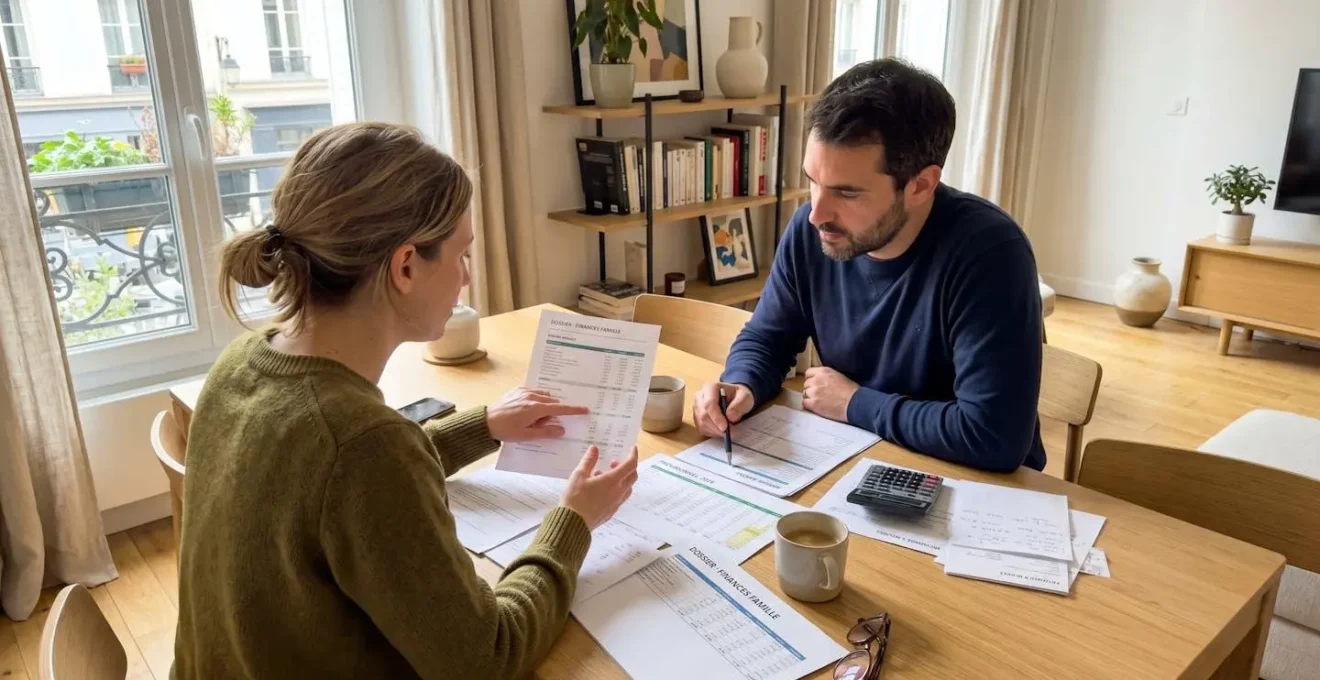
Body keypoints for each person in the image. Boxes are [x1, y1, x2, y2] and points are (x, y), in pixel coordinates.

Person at [173, 122, 638, 679]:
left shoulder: (241, 362)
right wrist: (574, 521)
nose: (467, 278)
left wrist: (485, 425)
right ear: (406, 266)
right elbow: (488, 657)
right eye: (463, 255)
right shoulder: (362, 445)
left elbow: (336, 485)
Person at [693, 58, 1045, 473]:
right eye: (813, 180)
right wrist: (742, 383)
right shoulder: (814, 231)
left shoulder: (990, 254)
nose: (816, 213)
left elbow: (993, 436)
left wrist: (856, 403)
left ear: (920, 185)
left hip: (974, 486)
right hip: (856, 456)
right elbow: (769, 337)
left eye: (846, 192)